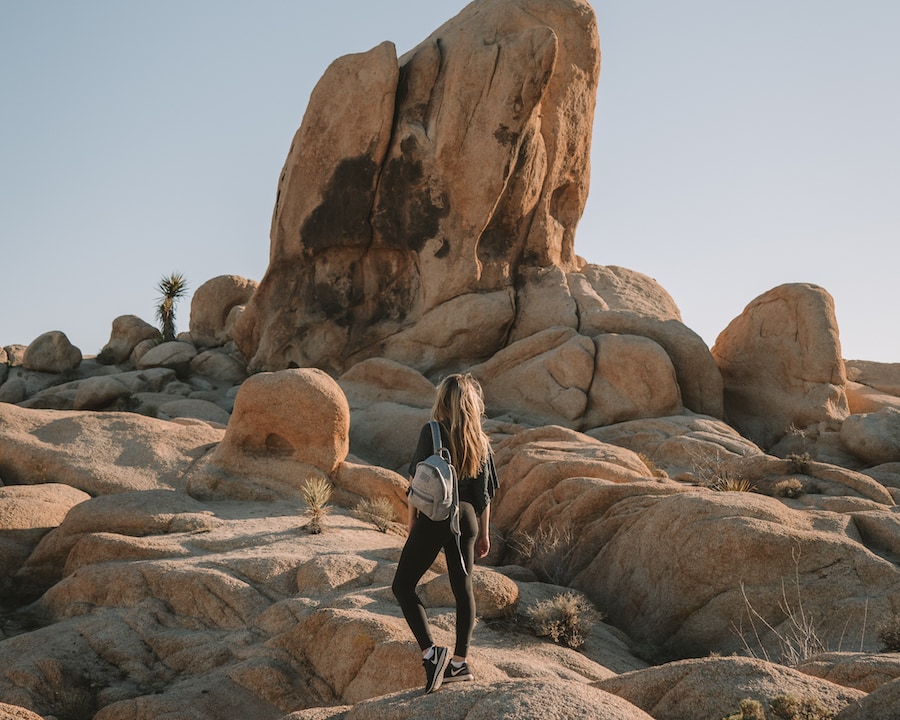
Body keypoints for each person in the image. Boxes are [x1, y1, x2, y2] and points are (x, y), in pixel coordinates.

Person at [392, 373, 499, 694]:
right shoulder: (480, 439)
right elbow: (485, 493)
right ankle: (459, 663)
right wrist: (484, 534)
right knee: (462, 589)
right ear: (471, 403)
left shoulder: (433, 431)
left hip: (437, 516)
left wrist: (413, 522)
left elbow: (418, 481)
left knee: (402, 586)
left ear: (444, 400)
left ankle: (431, 654)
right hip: (467, 519)